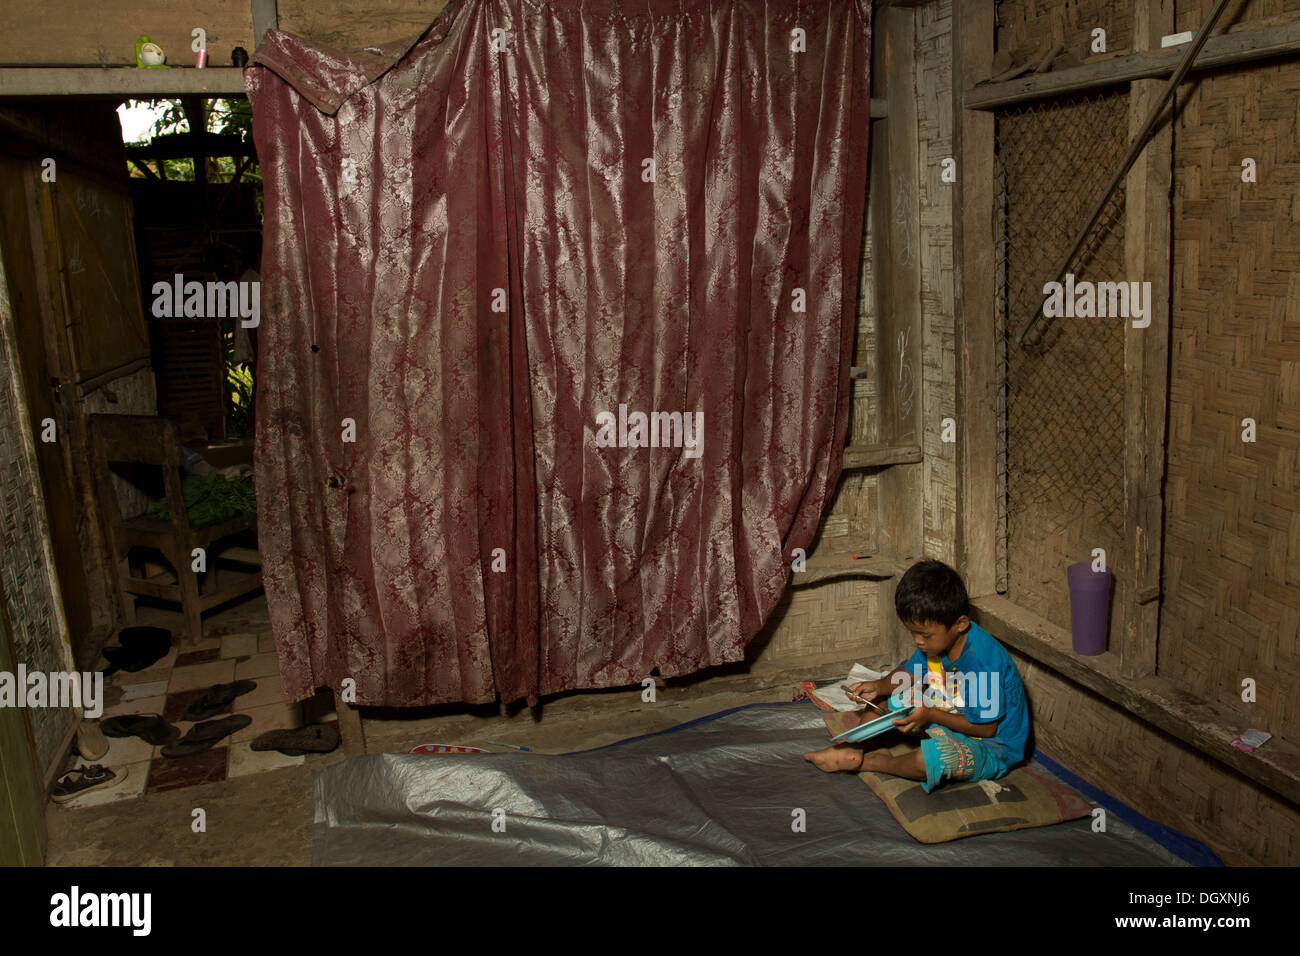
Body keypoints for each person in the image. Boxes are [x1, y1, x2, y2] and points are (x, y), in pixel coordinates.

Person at [803, 559, 1029, 792]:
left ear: (960, 624)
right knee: (884, 699)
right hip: (950, 714)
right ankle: (853, 747)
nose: (917, 641)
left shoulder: (981, 664)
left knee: (928, 760)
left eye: (925, 635)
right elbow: (910, 673)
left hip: (990, 746)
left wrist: (930, 714)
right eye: (913, 633)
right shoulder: (938, 643)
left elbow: (985, 729)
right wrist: (879, 686)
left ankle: (874, 762)